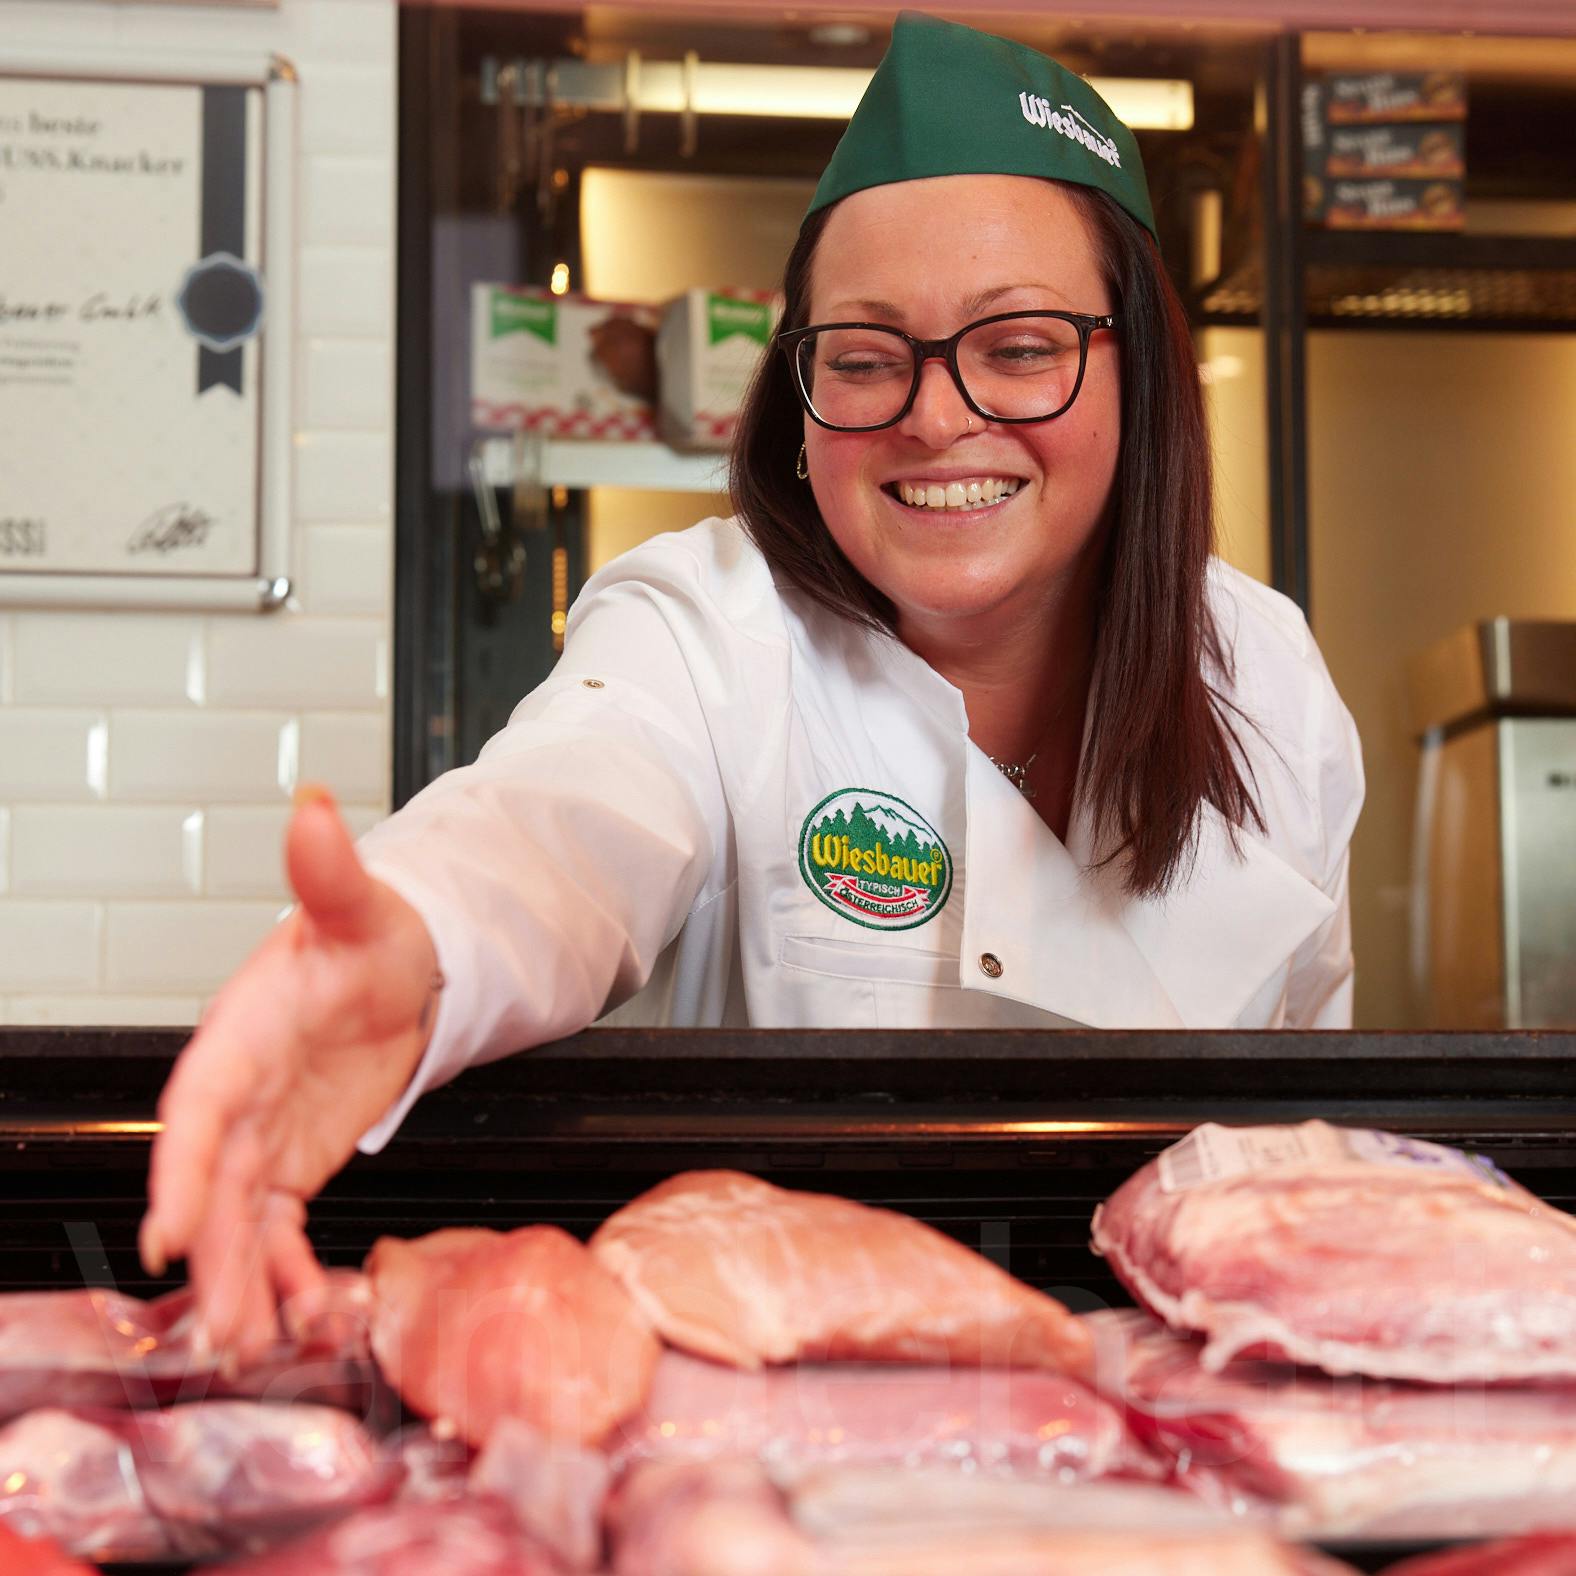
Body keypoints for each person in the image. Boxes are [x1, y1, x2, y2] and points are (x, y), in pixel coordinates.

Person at [141, 12, 1363, 1362]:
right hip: (779, 1440)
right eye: (863, 356)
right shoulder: (709, 626)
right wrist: (421, 944)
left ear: (1144, 376)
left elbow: (1312, 1154)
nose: (936, 415)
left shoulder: (1266, 680)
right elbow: (561, 820)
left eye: (1019, 347)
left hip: (1158, 1456)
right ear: (799, 397)